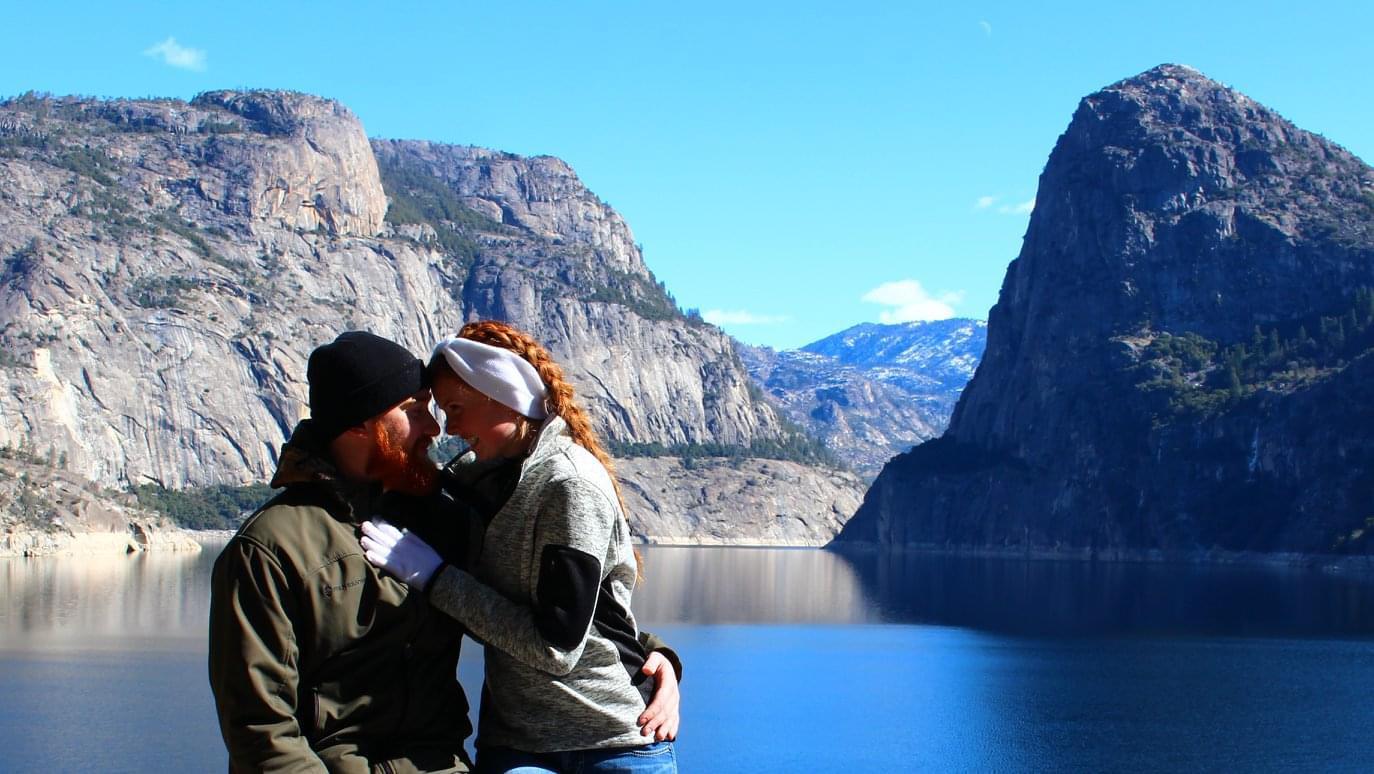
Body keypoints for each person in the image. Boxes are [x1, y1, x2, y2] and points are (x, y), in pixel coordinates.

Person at [207, 331, 679, 773]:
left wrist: (655, 660)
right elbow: (262, 731)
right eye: (415, 411)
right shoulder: (270, 548)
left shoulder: (439, 514)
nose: (435, 427)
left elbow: (547, 602)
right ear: (361, 425)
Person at [361, 321, 678, 774]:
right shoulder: (483, 477)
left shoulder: (568, 482)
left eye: (455, 407)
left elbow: (557, 647)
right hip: (519, 744)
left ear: (501, 394)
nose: (449, 427)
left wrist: (433, 578)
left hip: (615, 741)